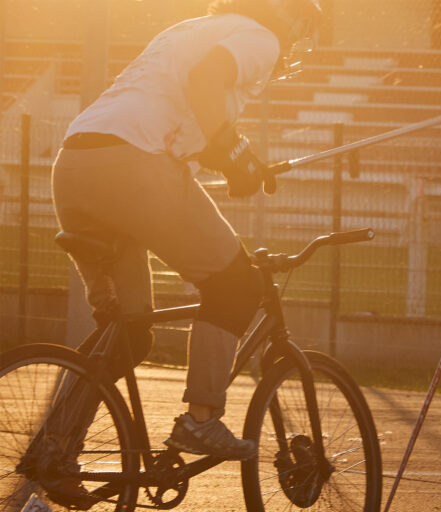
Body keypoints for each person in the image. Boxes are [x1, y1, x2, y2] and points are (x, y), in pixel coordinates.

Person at [49, 0, 321, 488]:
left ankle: (53, 449)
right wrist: (233, 150)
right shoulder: (261, 35)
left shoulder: (196, 26)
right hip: (131, 167)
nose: (299, 40)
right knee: (236, 283)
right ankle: (200, 419)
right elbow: (204, 81)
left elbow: (176, 117)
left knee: (129, 333)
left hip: (75, 165)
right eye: (303, 26)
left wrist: (234, 159)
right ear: (287, 13)